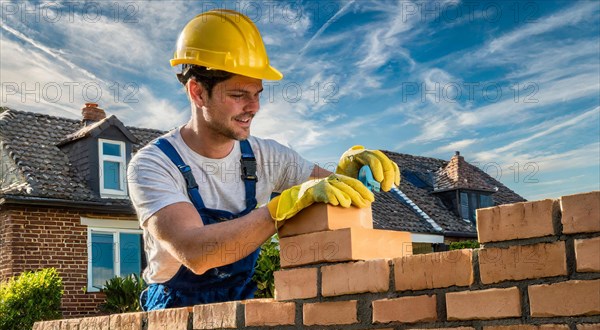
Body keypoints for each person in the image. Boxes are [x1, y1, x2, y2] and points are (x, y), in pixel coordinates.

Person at [127, 9, 400, 311]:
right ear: (197, 92)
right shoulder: (154, 164)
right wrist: (279, 208)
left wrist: (347, 174)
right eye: (238, 94)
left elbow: (328, 193)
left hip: (241, 305)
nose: (253, 107)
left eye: (257, 93)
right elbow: (196, 253)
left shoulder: (267, 156)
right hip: (174, 313)